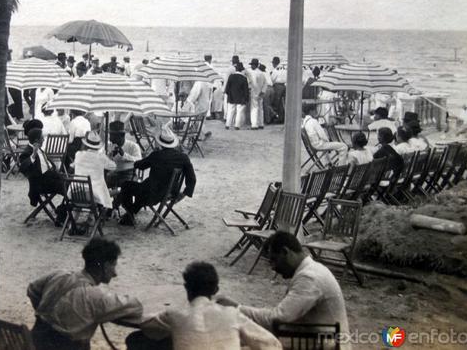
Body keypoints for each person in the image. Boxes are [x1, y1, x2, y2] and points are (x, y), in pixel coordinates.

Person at [216, 231, 350, 350]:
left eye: (274, 260)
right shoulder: (311, 269)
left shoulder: (309, 278)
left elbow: (278, 319)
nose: (273, 267)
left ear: (286, 252)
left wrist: (237, 307)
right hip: (318, 339)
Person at [127, 262, 281, 350]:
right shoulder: (232, 314)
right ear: (216, 290)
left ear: (187, 289)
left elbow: (146, 325)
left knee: (137, 339)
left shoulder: (174, 315)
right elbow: (272, 344)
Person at [27, 238, 143, 350]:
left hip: (36, 340)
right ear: (105, 266)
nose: (115, 273)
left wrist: (49, 315)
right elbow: (135, 306)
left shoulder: (58, 275)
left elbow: (32, 290)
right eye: (113, 265)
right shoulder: (95, 296)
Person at [118, 128, 196, 227]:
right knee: (142, 187)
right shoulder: (183, 157)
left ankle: (130, 213)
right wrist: (185, 193)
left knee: (126, 185)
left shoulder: (156, 155)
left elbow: (140, 165)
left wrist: (147, 157)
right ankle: (131, 213)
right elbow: (192, 178)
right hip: (170, 192)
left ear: (161, 143)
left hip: (153, 195)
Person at [19, 128, 67, 208]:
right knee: (66, 187)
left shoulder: (40, 149)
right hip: (41, 183)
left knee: (71, 182)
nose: (44, 140)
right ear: (37, 140)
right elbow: (23, 168)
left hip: (52, 176)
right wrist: (33, 154)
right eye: (42, 138)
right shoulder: (27, 152)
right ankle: (63, 211)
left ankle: (63, 209)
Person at [73, 132, 116, 208]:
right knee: (115, 191)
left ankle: (90, 217)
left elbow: (73, 166)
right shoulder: (100, 157)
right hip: (93, 196)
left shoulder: (78, 154)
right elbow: (113, 167)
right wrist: (109, 154)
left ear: (86, 144)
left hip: (75, 193)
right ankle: (96, 215)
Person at [106, 121, 142, 190]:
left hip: (129, 175)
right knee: (103, 182)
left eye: (113, 136)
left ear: (122, 135)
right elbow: (101, 159)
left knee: (125, 185)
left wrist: (124, 155)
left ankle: (120, 199)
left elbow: (139, 161)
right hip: (113, 174)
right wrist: (109, 155)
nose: (110, 139)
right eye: (110, 135)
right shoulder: (109, 145)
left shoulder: (133, 146)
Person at [225, 63, 249, 130]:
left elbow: (227, 88)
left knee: (230, 111)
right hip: (240, 98)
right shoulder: (244, 78)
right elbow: (245, 90)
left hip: (231, 97)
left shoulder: (231, 76)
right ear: (242, 70)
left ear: (236, 69)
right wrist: (246, 98)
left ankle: (228, 124)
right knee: (239, 112)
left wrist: (229, 94)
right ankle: (237, 125)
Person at [248, 59, 267, 129]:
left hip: (254, 92)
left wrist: (249, 89)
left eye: (252, 65)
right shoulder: (261, 73)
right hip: (260, 92)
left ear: (254, 65)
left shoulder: (253, 74)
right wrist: (263, 91)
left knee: (254, 108)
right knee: (260, 108)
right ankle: (261, 123)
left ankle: (254, 124)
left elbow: (251, 84)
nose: (251, 66)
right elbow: (265, 83)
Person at [269, 57, 287, 124]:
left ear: (274, 63)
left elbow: (272, 79)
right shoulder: (284, 69)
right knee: (283, 103)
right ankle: (282, 118)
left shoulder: (275, 70)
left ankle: (278, 118)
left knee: (277, 103)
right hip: (284, 85)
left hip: (278, 86)